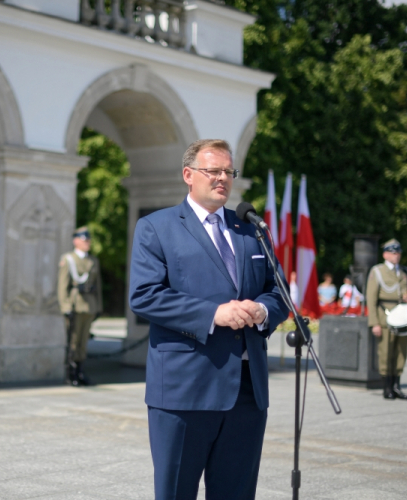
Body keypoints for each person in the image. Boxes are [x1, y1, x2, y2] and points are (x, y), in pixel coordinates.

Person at [129, 139, 289, 499]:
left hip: (247, 393)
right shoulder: (157, 227)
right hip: (185, 392)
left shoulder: (251, 229)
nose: (223, 178)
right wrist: (213, 314)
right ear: (188, 175)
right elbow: (145, 295)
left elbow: (278, 291)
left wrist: (263, 311)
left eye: (228, 172)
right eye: (213, 170)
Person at [366, 239, 407, 400]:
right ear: (385, 254)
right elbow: (371, 299)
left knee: (400, 353)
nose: (397, 256)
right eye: (393, 253)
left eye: (398, 253)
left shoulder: (405, 272)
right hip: (385, 318)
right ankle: (387, 387)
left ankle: (397, 386)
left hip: (404, 318)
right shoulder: (378, 272)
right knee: (386, 353)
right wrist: (374, 323)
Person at [57, 226, 102, 386]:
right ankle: (71, 374)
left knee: (83, 342)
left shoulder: (93, 260)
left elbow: (98, 286)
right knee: (73, 342)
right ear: (75, 241)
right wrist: (65, 307)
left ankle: (80, 372)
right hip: (75, 305)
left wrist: (99, 307)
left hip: (89, 305)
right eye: (84, 240)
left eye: (88, 240)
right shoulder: (69, 259)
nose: (87, 243)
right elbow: (63, 286)